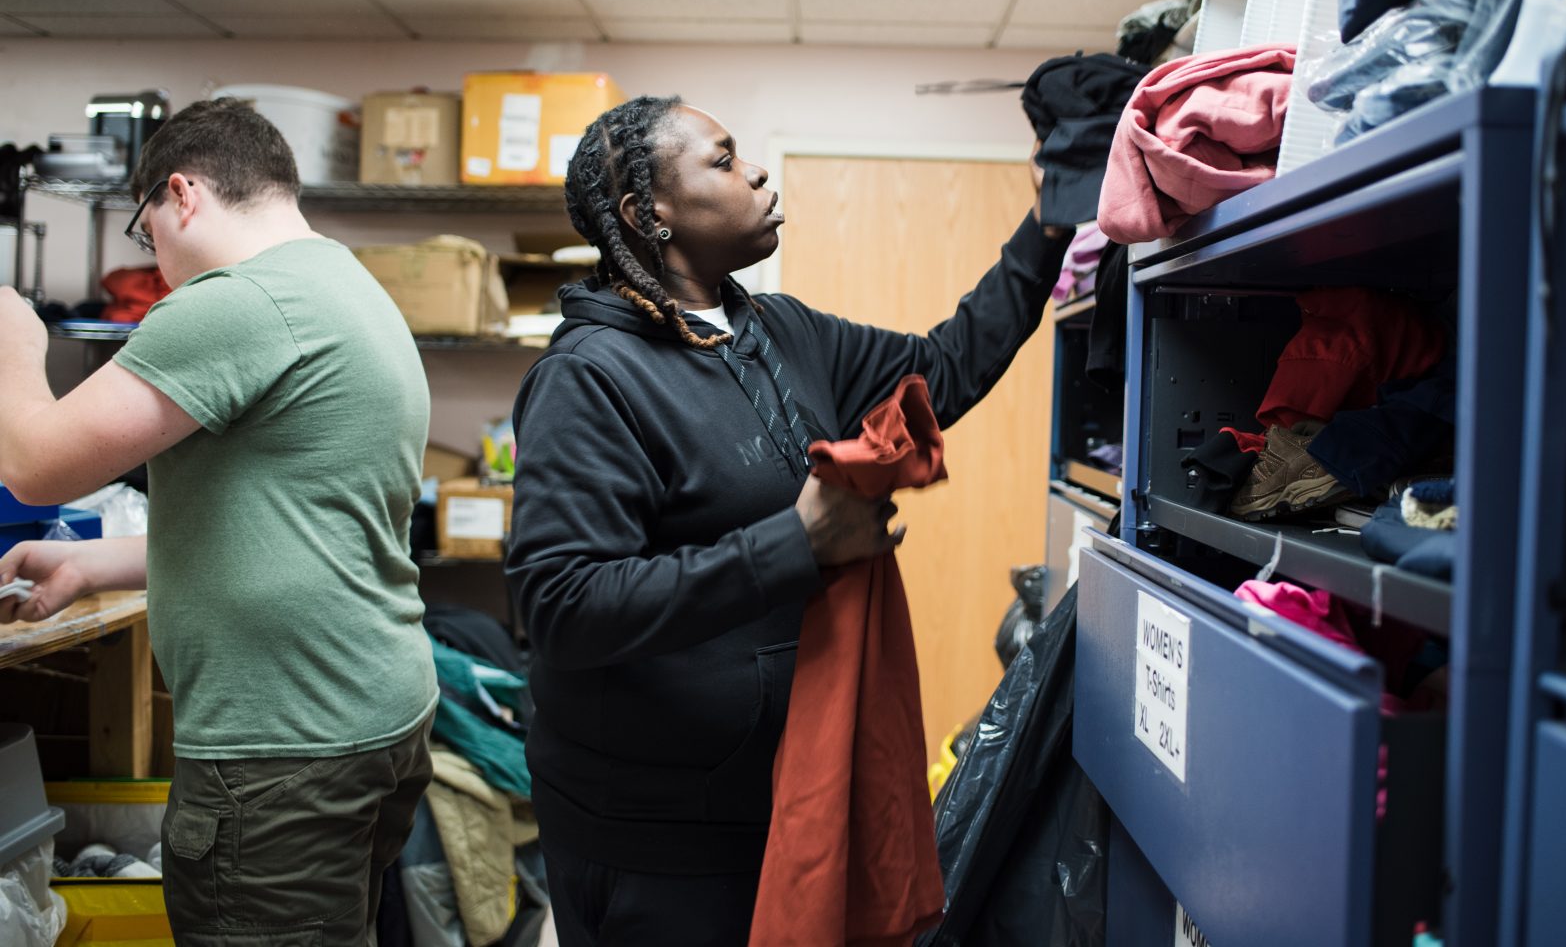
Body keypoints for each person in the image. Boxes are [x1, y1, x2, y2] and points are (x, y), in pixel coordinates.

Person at [505, 94, 1068, 945]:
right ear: (646, 213)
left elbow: (944, 367)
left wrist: (1048, 226)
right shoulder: (590, 377)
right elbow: (562, 605)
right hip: (656, 841)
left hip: (785, 799)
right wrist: (793, 544)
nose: (757, 171)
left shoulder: (779, 331)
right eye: (724, 161)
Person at [0, 99, 438, 946]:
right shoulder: (342, 283)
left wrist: (17, 342)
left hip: (282, 747)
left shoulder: (238, 303)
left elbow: (34, 464)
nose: (154, 256)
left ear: (182, 194)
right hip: (368, 715)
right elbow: (290, 522)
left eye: (145, 229)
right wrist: (90, 567)